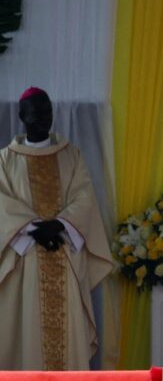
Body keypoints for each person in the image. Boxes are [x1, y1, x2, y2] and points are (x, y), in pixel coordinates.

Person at [0, 87, 114, 370]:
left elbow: (84, 197)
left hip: (64, 253)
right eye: (36, 112)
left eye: (47, 111)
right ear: (22, 115)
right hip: (24, 261)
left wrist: (59, 225)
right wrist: (34, 229)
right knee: (23, 335)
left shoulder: (71, 156)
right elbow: (2, 204)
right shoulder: (5, 160)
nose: (43, 117)